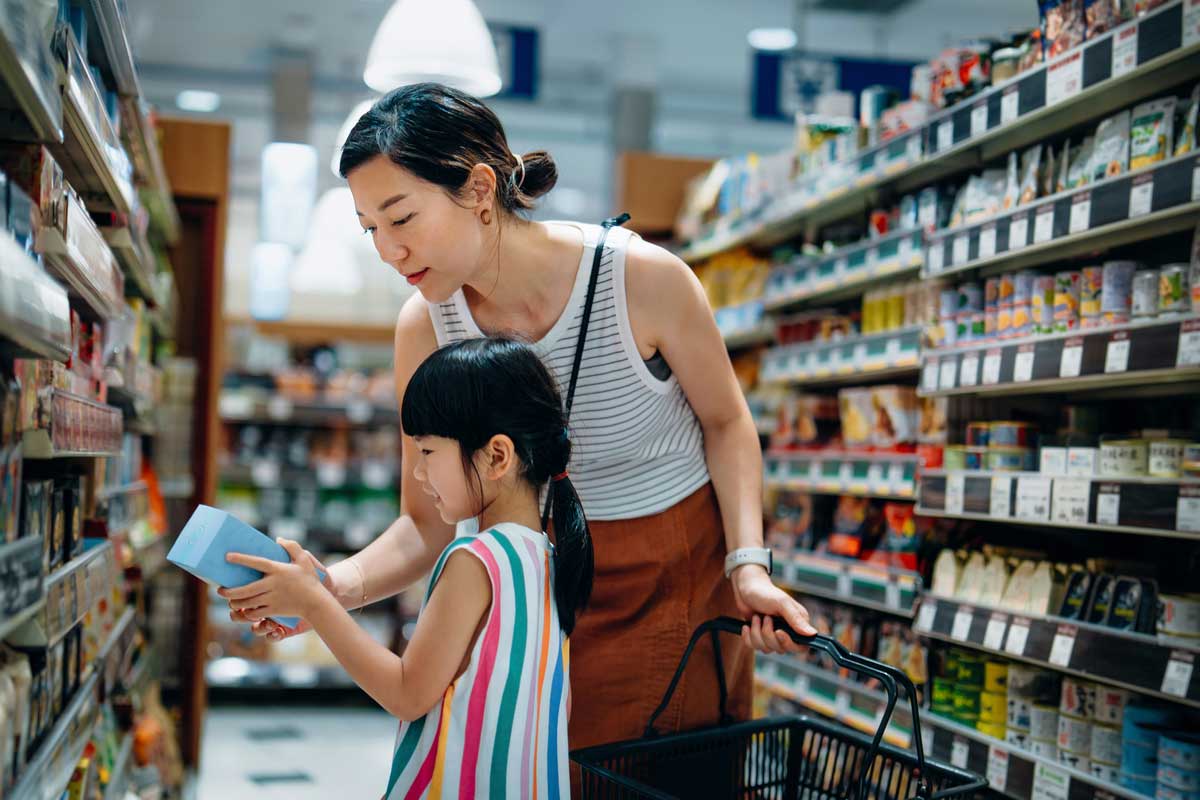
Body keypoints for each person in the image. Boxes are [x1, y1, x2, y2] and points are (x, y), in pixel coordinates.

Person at [226, 82, 815, 756]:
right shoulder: (426, 328)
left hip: (667, 578)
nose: (387, 250)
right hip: (527, 584)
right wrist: (328, 589)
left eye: (402, 218)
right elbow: (424, 522)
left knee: (639, 773)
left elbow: (728, 423)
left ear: (479, 190)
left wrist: (749, 566)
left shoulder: (644, 280)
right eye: (371, 230)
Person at [221, 338, 587, 797]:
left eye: (428, 452)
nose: (417, 473)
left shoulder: (476, 561)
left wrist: (316, 603)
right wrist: (321, 598)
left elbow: (407, 692)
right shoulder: (548, 556)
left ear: (496, 456)